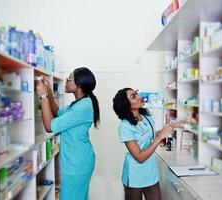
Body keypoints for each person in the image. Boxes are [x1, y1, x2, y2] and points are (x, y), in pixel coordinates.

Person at [36, 67, 100, 200]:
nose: (66, 81)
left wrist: (43, 97)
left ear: (79, 85)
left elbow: (49, 126)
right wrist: (48, 91)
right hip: (77, 161)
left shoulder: (83, 106)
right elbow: (57, 113)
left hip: (77, 164)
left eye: (69, 79)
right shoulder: (80, 103)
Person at [113, 88, 184, 200]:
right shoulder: (125, 126)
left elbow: (151, 135)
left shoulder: (146, 116)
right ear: (126, 104)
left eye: (136, 93)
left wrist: (173, 126)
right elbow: (139, 157)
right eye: (133, 96)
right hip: (134, 175)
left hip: (150, 173)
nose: (138, 96)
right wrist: (159, 138)